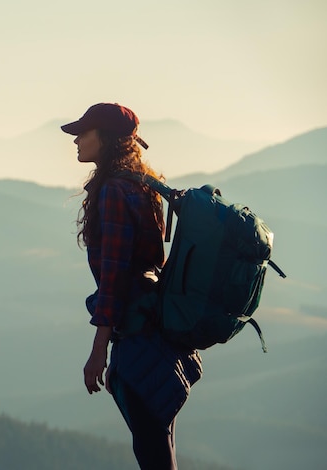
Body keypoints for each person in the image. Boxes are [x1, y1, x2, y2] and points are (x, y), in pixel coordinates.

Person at [61, 103, 203, 470]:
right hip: (161, 338)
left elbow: (114, 278)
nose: (76, 139)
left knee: (153, 452)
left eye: (84, 132)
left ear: (106, 138)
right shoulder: (143, 186)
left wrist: (98, 352)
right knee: (161, 445)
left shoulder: (112, 192)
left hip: (138, 337)